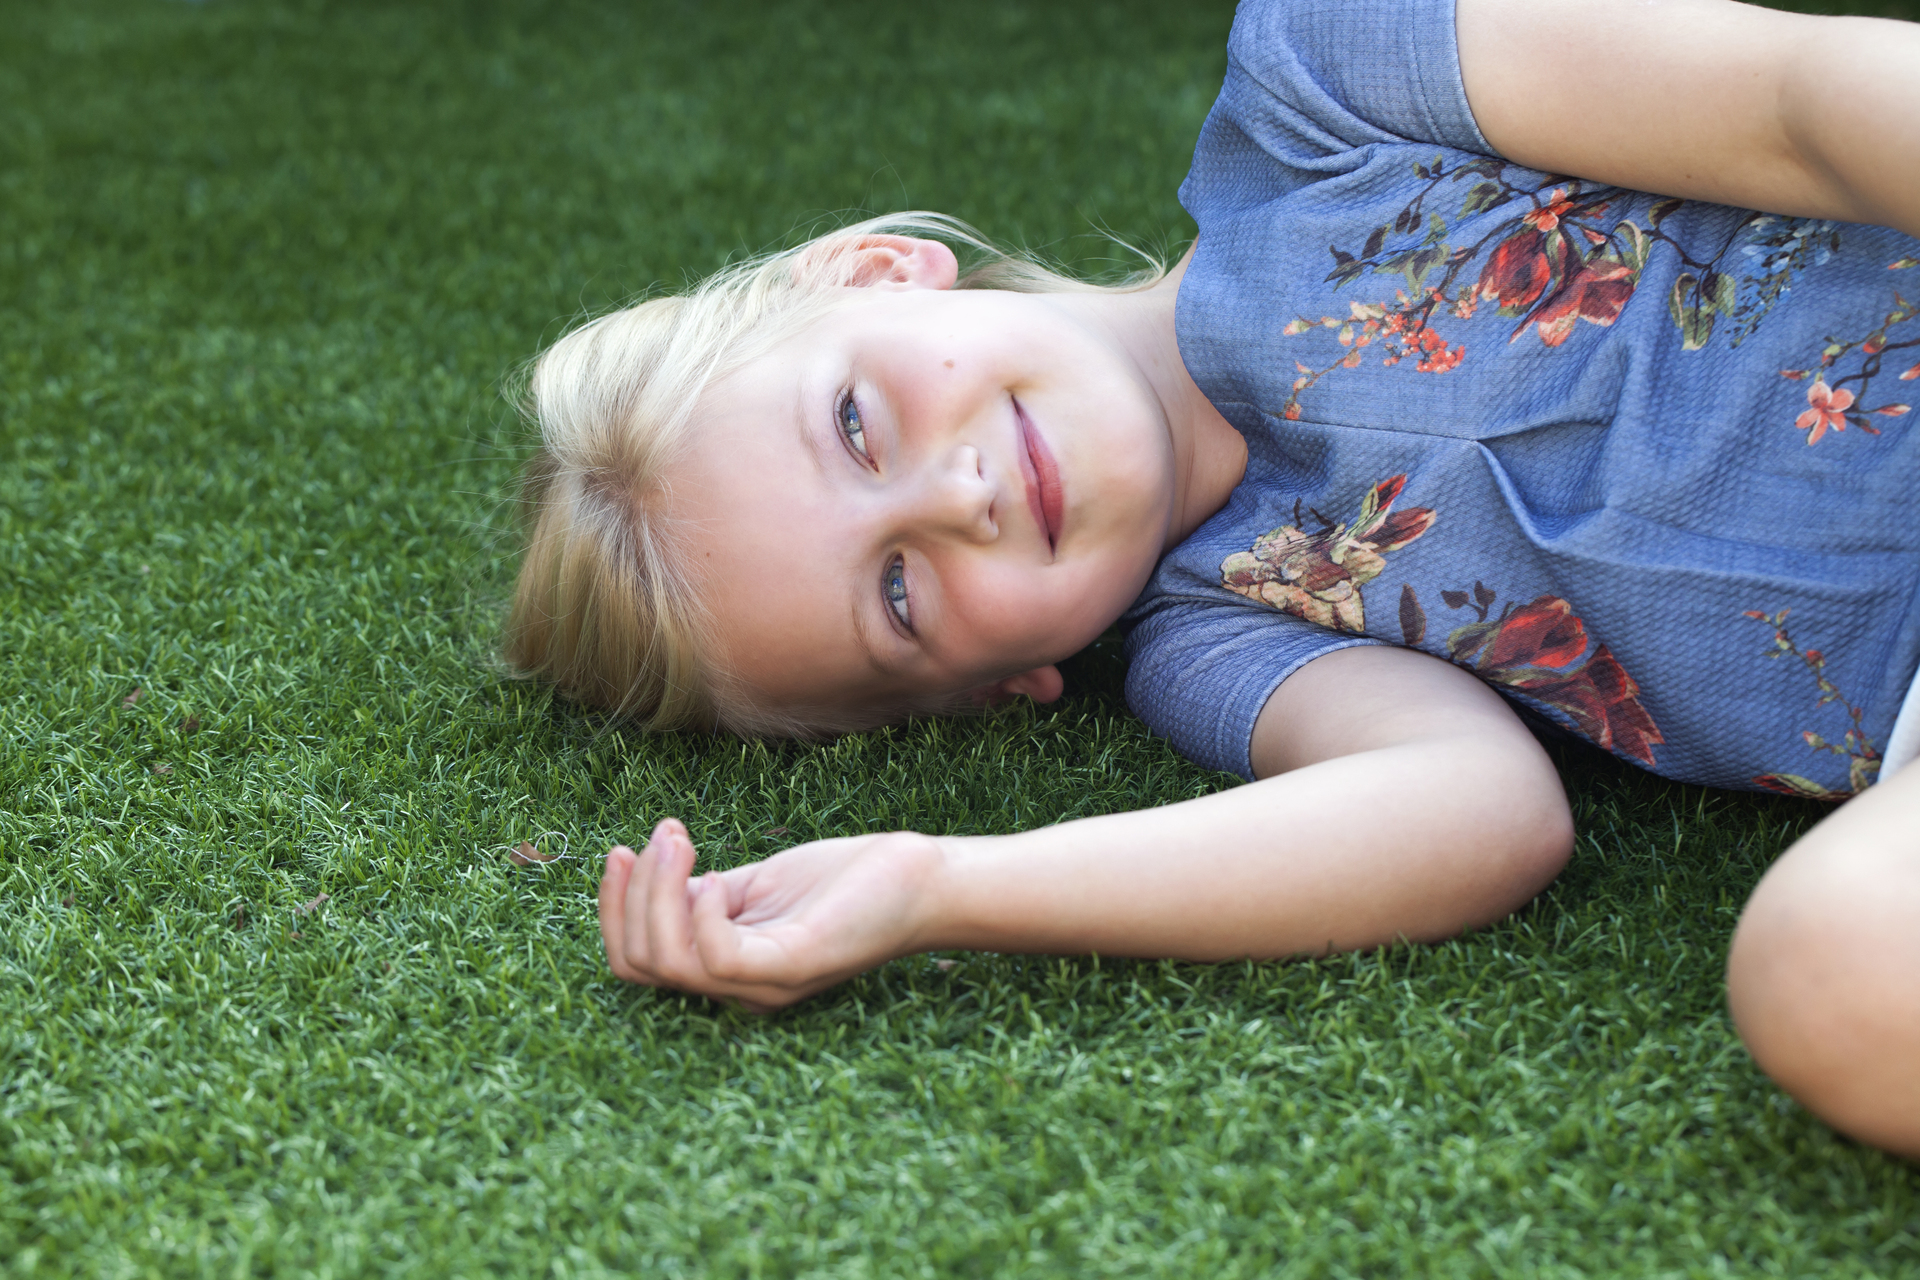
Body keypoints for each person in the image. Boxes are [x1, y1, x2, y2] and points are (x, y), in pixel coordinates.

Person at [505, 0, 1920, 1155]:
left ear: (873, 272)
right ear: (1003, 687)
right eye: (897, 596)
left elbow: (1803, 101)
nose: (957, 496)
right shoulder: (1220, 638)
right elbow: (1478, 813)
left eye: (856, 424)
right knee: (1823, 977)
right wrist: (941, 884)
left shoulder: (1327, 83)